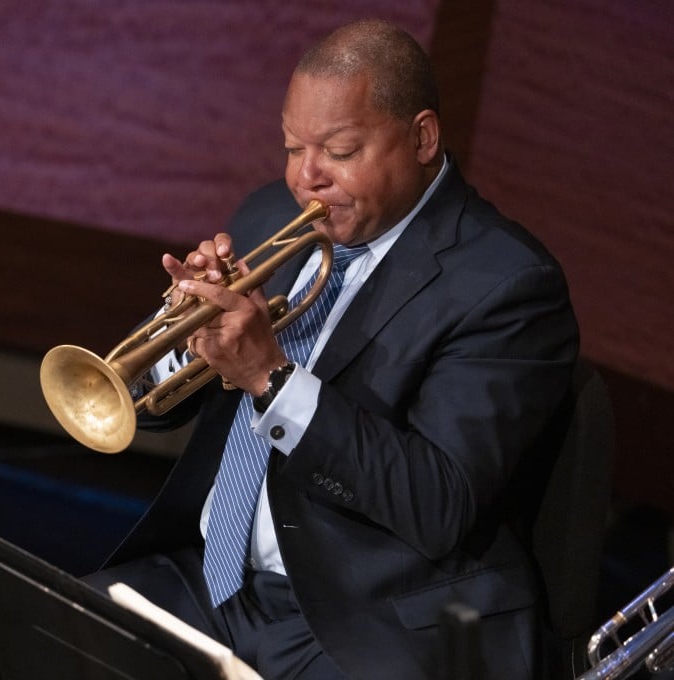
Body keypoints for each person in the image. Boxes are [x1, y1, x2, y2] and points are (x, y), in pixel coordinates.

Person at [80, 17, 579, 680]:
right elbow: (148, 406)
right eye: (292, 147)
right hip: (211, 584)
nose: (305, 178)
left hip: (367, 618)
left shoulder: (508, 284)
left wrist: (271, 378)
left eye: (340, 151)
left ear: (422, 138)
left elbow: (437, 504)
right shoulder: (268, 216)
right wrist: (188, 336)